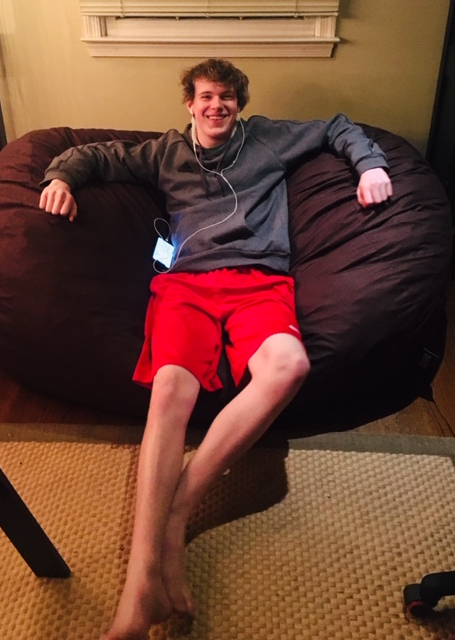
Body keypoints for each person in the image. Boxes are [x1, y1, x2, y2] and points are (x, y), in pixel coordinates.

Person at [39, 58, 393, 640]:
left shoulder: (269, 139)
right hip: (186, 286)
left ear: (239, 104)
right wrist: (59, 179)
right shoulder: (164, 152)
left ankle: (178, 513)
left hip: (260, 280)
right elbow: (95, 155)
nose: (216, 106)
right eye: (205, 96)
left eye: (226, 97)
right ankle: (139, 587)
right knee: (169, 393)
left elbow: (337, 126)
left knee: (289, 366)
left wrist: (370, 165)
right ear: (189, 103)